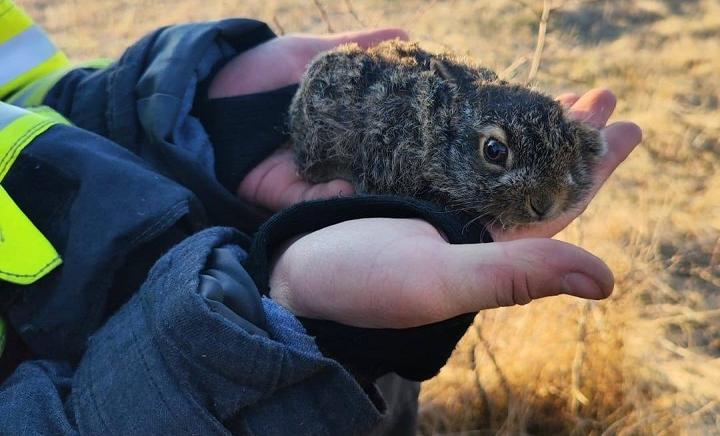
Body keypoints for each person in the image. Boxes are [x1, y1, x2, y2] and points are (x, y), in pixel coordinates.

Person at [0, 1, 642, 434]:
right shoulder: (417, 136)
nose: (533, 197)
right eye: (495, 156)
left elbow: (28, 92)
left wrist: (193, 116)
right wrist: (276, 321)